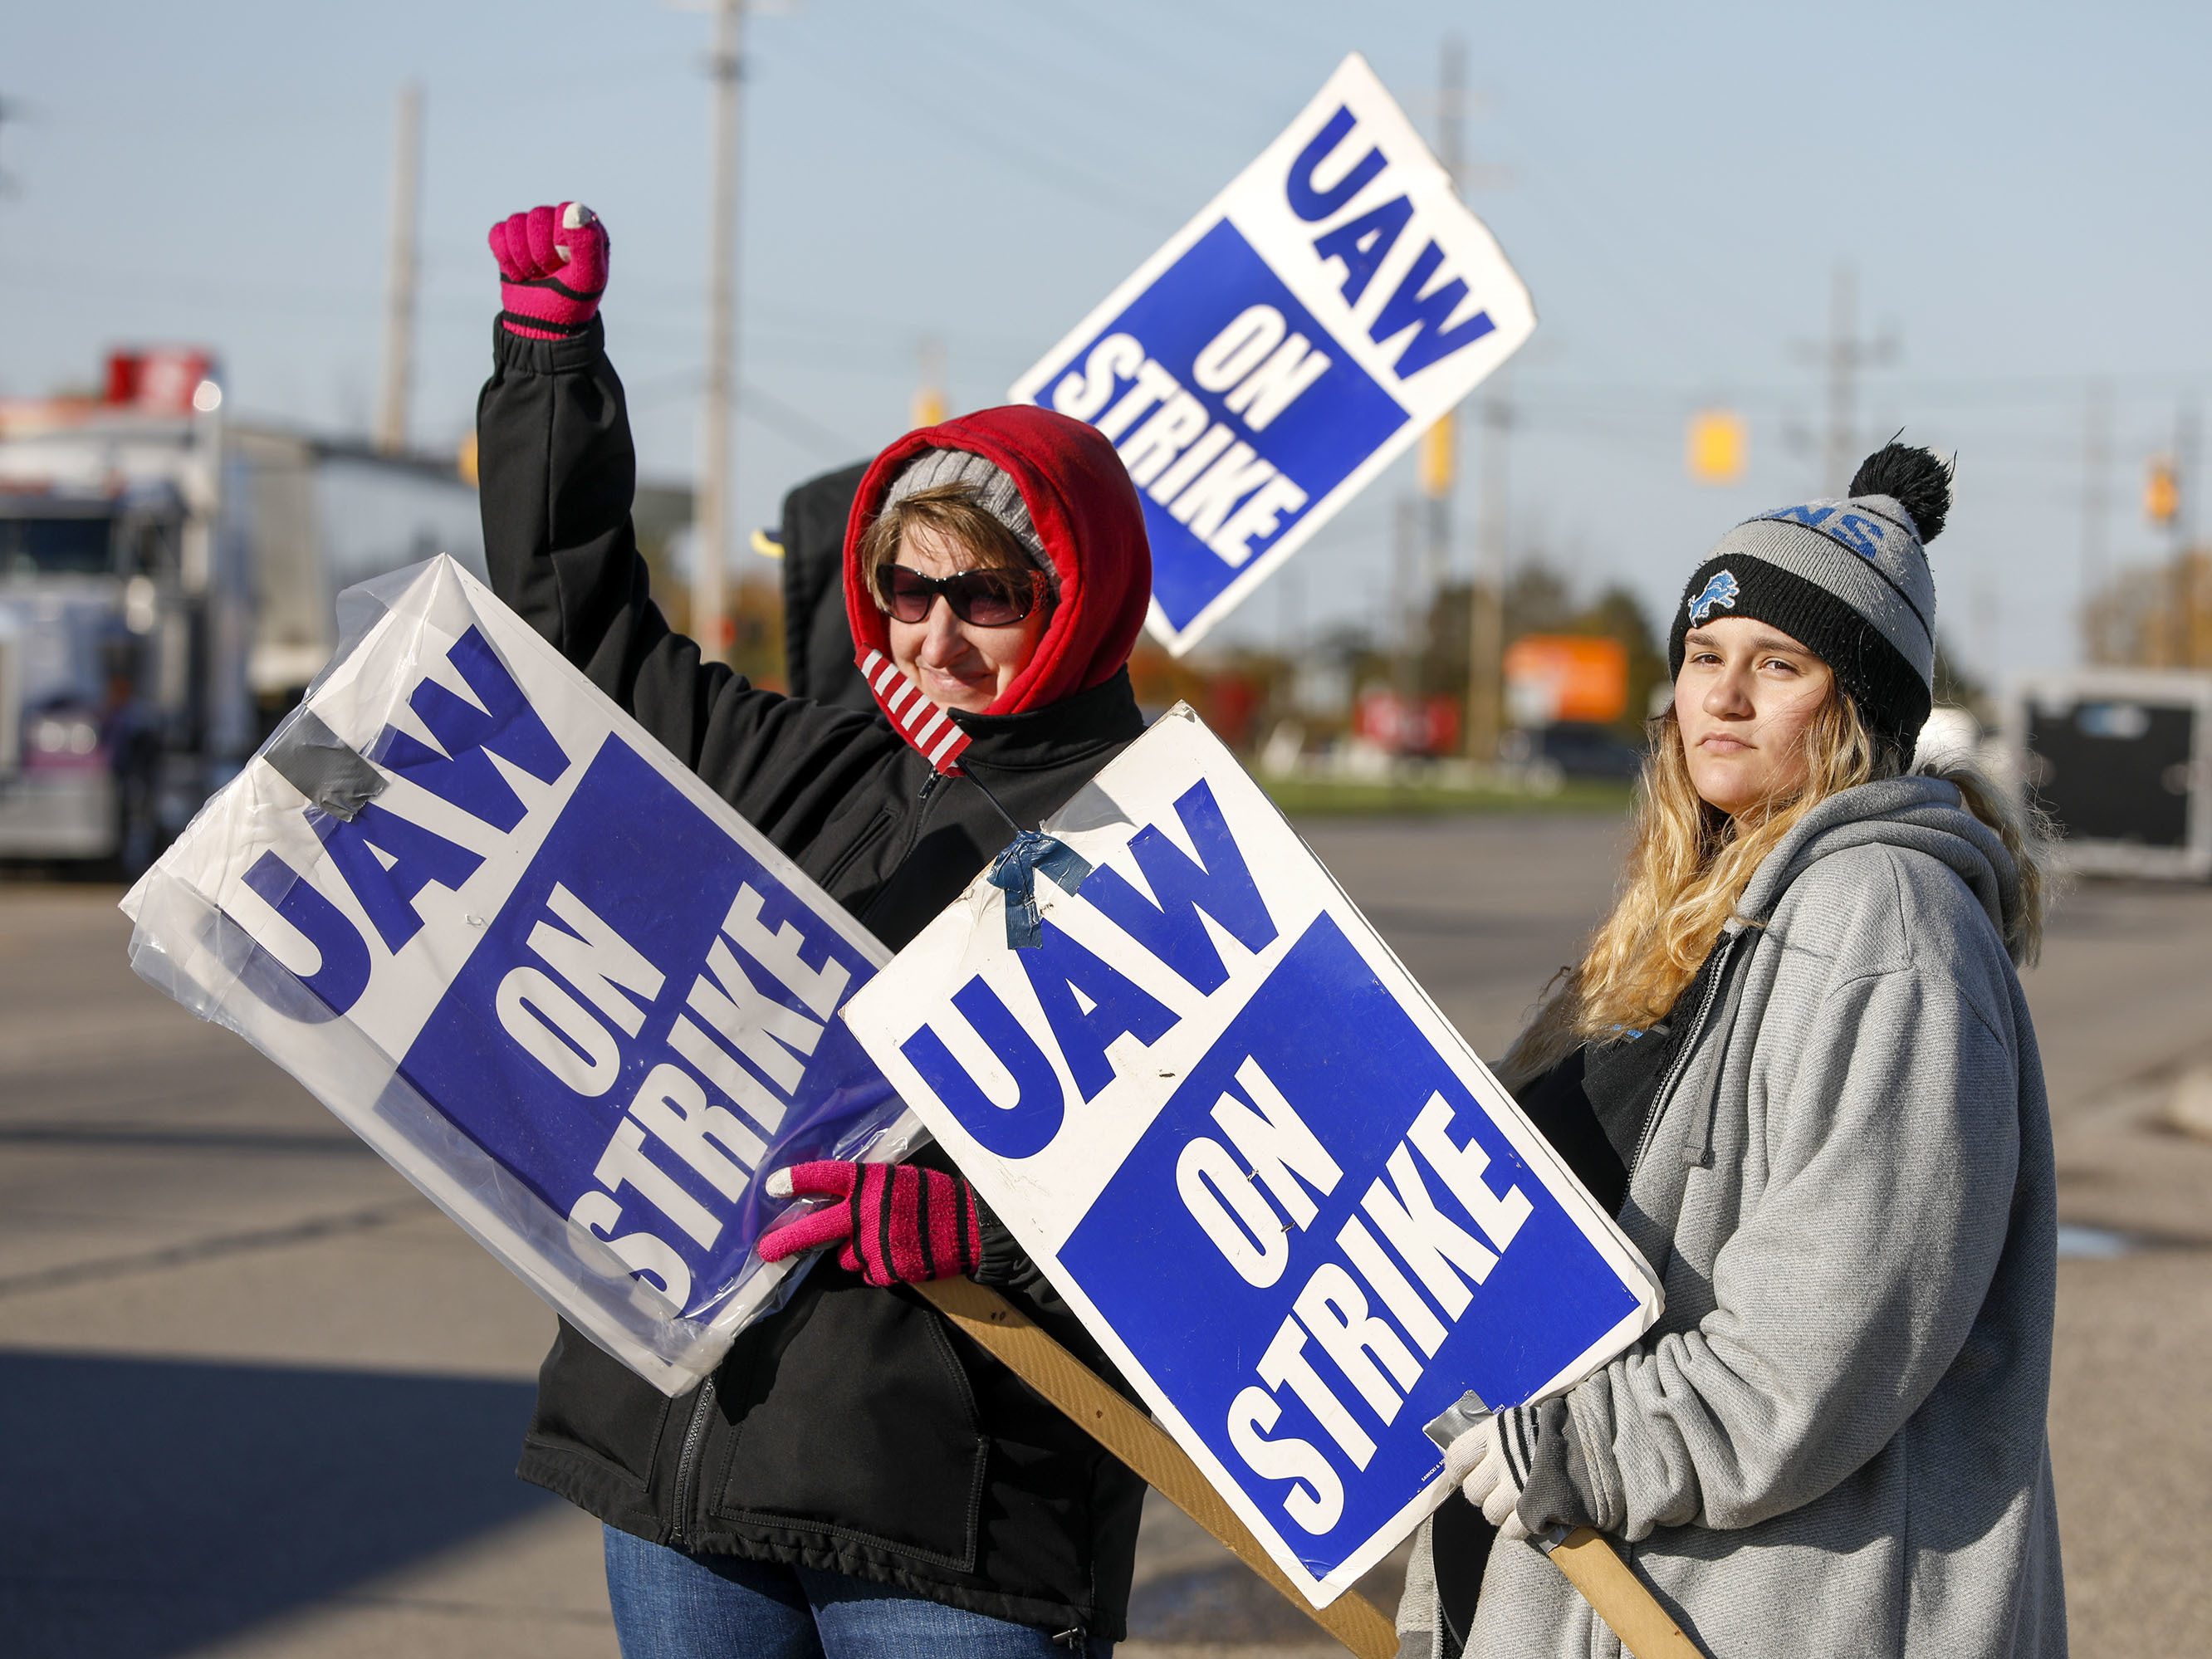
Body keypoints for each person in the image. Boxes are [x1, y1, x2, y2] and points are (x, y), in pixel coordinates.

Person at [478, 203, 1152, 1657]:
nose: (931, 633)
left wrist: (991, 1230)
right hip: (681, 1477)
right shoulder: (819, 764)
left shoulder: (1155, 850)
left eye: (988, 594)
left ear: (1079, 595)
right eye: (907, 588)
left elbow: (1225, 1197)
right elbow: (583, 645)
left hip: (945, 1520)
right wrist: (550, 372)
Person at [1396, 445, 2067, 1658]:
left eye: (1779, 665)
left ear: (1858, 705)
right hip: (1605, 1575)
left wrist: (1569, 1452)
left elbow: (1819, 1342)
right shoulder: (1698, 912)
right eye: (1705, 656)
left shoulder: (1885, 924)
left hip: (1765, 1611)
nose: (1725, 696)